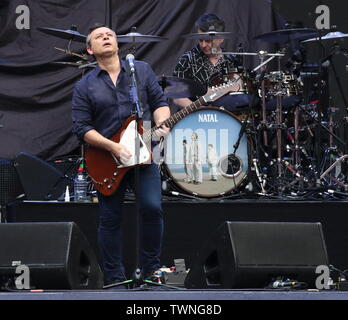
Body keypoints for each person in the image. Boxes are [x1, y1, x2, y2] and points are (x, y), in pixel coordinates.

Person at [72, 23, 170, 287]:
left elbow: (160, 103)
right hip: (106, 159)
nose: (106, 37)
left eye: (110, 35)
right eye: (99, 37)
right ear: (90, 49)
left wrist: (162, 123)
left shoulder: (141, 70)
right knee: (110, 218)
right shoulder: (85, 85)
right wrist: (113, 147)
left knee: (152, 209)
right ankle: (114, 277)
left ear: (117, 44)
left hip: (143, 154)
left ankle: (151, 272)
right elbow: (82, 129)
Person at [172, 13, 249, 112]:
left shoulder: (231, 60)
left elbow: (239, 93)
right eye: (200, 40)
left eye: (208, 40)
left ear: (221, 38)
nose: (203, 45)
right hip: (193, 117)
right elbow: (177, 97)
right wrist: (200, 110)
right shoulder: (187, 60)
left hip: (226, 117)